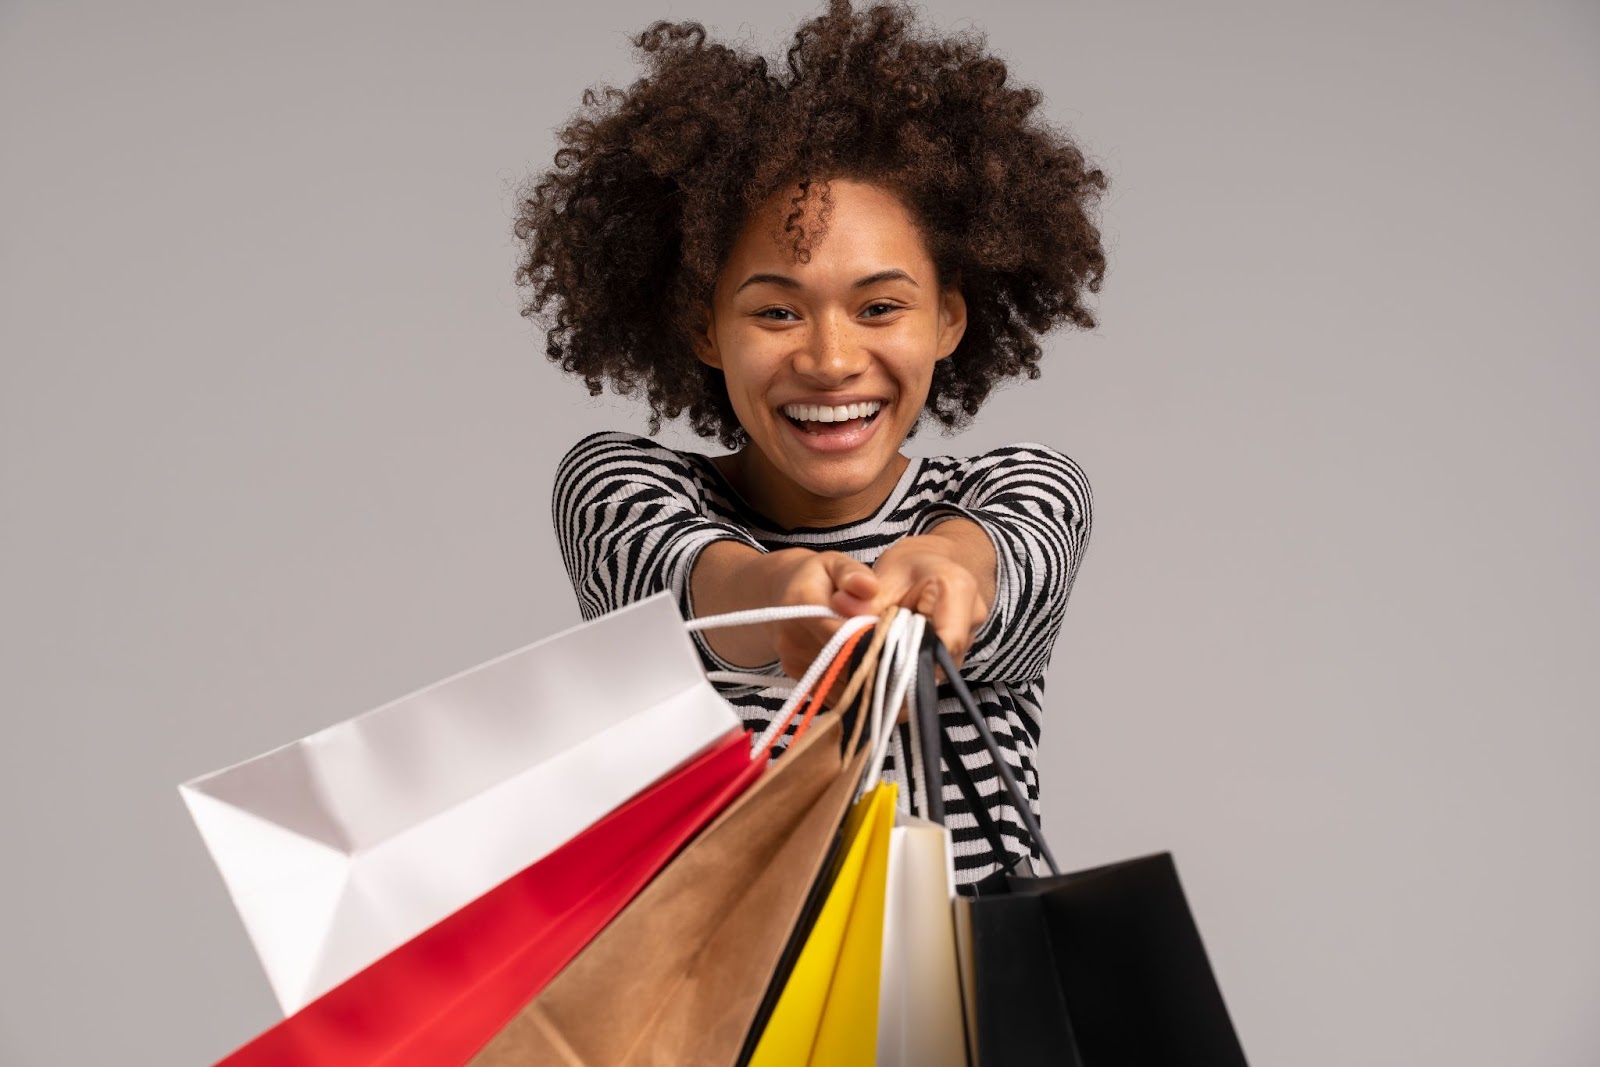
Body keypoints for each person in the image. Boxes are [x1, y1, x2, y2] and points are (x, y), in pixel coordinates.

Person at [519, 0, 1104, 884]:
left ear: (948, 318)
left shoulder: (1020, 489)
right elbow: (679, 583)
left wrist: (945, 571)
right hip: (723, 1018)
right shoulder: (621, 486)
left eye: (880, 307)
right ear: (704, 328)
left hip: (965, 1013)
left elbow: (995, 559)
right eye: (776, 311)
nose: (832, 360)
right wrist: (785, 599)